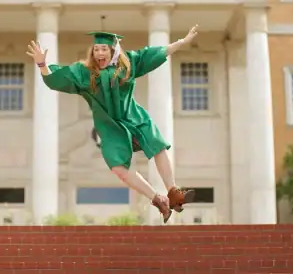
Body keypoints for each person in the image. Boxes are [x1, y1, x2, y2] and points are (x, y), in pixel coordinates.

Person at [26, 25, 200, 223]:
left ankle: (173, 191)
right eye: (96, 49)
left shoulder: (128, 65)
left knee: (157, 145)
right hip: (109, 125)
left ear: (113, 51)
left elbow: (153, 54)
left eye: (104, 49)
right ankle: (157, 199)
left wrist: (182, 43)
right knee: (118, 167)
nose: (100, 53)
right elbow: (57, 79)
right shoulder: (84, 73)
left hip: (133, 115)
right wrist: (42, 65)